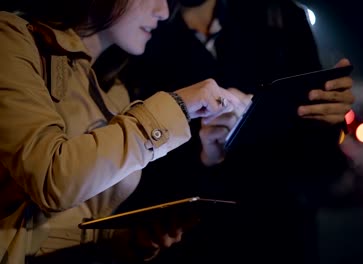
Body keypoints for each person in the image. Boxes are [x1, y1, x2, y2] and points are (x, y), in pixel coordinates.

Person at [102, 0, 356, 263]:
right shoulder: (136, 23)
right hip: (187, 246)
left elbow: (321, 168)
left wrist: (327, 121)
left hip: (281, 238)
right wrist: (202, 157)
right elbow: (120, 171)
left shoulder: (281, 17)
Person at [0, 0, 245, 263]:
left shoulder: (115, 92)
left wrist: (130, 242)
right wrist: (179, 105)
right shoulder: (11, 38)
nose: (163, 12)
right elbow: (51, 179)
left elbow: (66, 225)